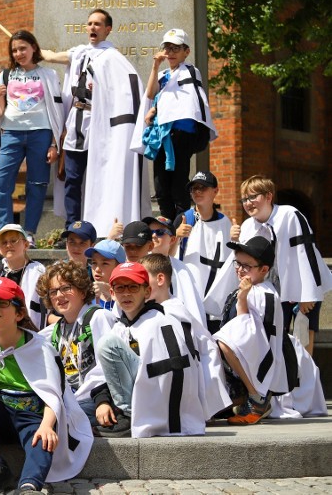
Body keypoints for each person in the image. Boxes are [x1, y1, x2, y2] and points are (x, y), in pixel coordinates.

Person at [0, 277, 92, 494]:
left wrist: (46, 425)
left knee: (42, 440)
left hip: (32, 416)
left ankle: (29, 486)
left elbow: (53, 394)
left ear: (19, 313)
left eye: (1, 303)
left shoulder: (40, 347)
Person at [42, 9, 150, 235]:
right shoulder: (80, 53)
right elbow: (52, 56)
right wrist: (30, 48)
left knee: (99, 177)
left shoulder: (113, 58)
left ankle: (97, 225)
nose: (92, 27)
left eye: (98, 24)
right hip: (76, 123)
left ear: (108, 29)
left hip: (100, 126)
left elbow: (127, 92)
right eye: (90, 23)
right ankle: (72, 227)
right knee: (72, 178)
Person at [94, 262, 206, 437]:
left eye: (133, 287)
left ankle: (128, 415)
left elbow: (170, 371)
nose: (126, 293)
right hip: (146, 401)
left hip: (161, 409)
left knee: (107, 344)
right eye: (120, 288)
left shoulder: (158, 321)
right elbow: (102, 374)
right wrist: (102, 401)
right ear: (112, 293)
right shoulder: (122, 326)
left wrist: (143, 414)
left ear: (146, 291)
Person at [233, 175, 332, 356]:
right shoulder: (248, 226)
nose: (248, 203)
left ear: (269, 196)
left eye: (253, 197)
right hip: (274, 291)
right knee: (277, 339)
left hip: (303, 286)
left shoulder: (289, 215)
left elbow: (307, 253)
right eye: (244, 199)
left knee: (304, 339)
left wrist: (307, 294)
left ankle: (306, 382)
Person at [0, 30, 64, 242]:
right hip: (11, 133)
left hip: (41, 133)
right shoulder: (5, 75)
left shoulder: (48, 75)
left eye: (23, 48)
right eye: (14, 50)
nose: (19, 53)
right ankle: (5, 230)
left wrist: (54, 144)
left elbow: (58, 111)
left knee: (37, 183)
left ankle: (29, 232)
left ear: (33, 48)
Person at [133, 29, 216, 220]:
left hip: (182, 133)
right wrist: (155, 66)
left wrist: (156, 110)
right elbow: (151, 94)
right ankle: (167, 221)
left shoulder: (190, 71)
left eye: (176, 48)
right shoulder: (162, 74)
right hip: (163, 134)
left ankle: (182, 222)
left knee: (178, 181)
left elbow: (186, 100)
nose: (170, 53)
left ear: (186, 52)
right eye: (167, 48)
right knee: (161, 183)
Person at [139, 254, 232, 419]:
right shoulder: (163, 309)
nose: (140, 285)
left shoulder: (173, 312)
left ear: (160, 279)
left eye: (144, 279)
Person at [213, 237, 294, 424]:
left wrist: (242, 298)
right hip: (246, 365)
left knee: (226, 342)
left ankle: (257, 399)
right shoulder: (250, 288)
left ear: (264, 269)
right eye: (238, 263)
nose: (240, 269)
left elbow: (246, 334)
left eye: (247, 266)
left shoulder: (263, 293)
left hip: (260, 366)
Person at [37, 261, 116, 427]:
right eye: (53, 291)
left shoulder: (98, 317)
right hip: (72, 402)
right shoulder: (56, 330)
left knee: (56, 422)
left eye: (66, 288)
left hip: (98, 400)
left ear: (82, 291)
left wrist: (103, 401)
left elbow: (109, 368)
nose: (59, 295)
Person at [175, 171, 239, 333]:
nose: (197, 192)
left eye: (202, 188)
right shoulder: (185, 219)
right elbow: (167, 257)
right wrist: (176, 236)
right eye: (194, 189)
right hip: (190, 298)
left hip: (217, 300)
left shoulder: (225, 222)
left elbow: (232, 260)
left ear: (215, 191)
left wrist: (236, 240)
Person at [144, 216, 207, 331]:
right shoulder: (139, 266)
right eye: (150, 232)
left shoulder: (182, 269)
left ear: (172, 240)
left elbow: (193, 307)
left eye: (160, 232)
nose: (153, 236)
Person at [0, 224, 46, 329]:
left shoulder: (38, 271)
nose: (8, 245)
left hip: (31, 330)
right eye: (4, 242)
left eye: (13, 240)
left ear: (25, 245)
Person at [85, 239, 126, 312]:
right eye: (94, 263)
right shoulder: (85, 295)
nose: (97, 269)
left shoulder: (131, 294)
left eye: (105, 263)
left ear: (119, 267)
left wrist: (111, 293)